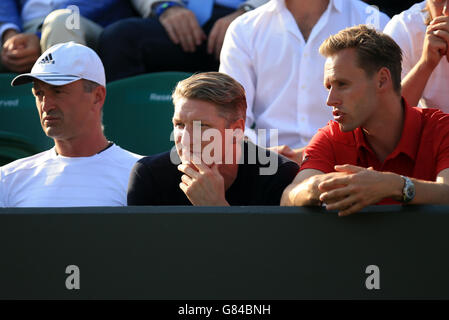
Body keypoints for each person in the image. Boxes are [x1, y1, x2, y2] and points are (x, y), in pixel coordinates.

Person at [281, 25, 449, 216]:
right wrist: (317, 187)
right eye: (329, 87)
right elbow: (288, 197)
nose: (330, 100)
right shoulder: (331, 136)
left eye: (342, 84)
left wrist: (395, 186)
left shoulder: (441, 128)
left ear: (382, 80)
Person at [219, 0, 390, 164]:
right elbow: (230, 118)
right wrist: (260, 156)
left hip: (346, 163)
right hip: (266, 166)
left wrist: (313, 153)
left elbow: (385, 114)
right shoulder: (243, 29)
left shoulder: (373, 21)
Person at [0, 42, 142, 207]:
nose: (46, 106)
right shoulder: (8, 179)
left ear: (97, 96)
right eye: (39, 93)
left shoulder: (142, 175)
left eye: (57, 91)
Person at [127, 72, 299, 206]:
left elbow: (272, 251)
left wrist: (216, 207)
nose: (185, 139)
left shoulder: (278, 176)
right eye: (179, 124)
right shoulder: (149, 176)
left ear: (237, 130)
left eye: (201, 126)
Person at [97, 0, 268, 82]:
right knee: (120, 39)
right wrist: (165, 5)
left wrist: (250, 14)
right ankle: (126, 135)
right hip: (179, 17)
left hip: (255, 21)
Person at [0, 0, 140, 73]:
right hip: (21, 26)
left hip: (85, 20)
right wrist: (9, 33)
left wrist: (40, 36)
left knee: (62, 23)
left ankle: (69, 126)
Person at [384, 0, 449, 112]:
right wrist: (426, 64)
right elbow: (386, 116)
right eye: (439, 1)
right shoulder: (404, 28)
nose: (446, 10)